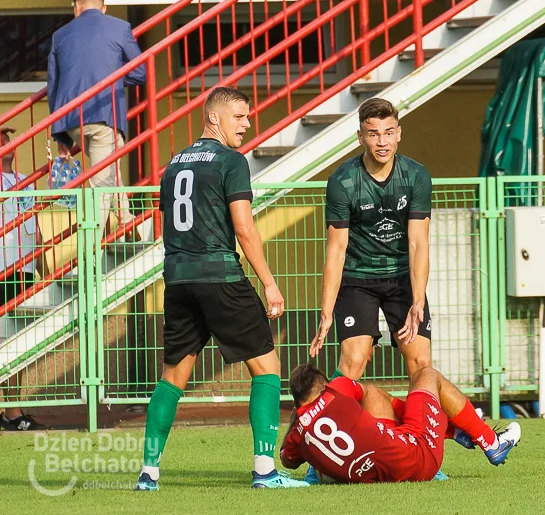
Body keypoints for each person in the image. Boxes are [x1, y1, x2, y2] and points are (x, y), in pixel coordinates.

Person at [134, 87, 308, 491]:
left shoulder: (174, 164)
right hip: (220, 276)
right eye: (240, 117)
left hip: (177, 279)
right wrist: (269, 283)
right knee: (266, 368)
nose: (247, 124)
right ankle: (265, 471)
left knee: (173, 377)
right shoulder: (231, 161)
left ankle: (148, 474)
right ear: (214, 118)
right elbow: (244, 229)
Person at [310, 97, 434, 380]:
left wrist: (417, 301)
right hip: (357, 280)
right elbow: (337, 249)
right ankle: (332, 422)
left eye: (389, 133)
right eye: (373, 134)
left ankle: (424, 425)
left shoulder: (416, 176)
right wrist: (326, 312)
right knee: (354, 360)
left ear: (399, 134)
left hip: (402, 278)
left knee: (421, 362)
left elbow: (418, 243)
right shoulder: (343, 181)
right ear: (360, 137)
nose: (382, 142)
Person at [280, 364, 521, 483]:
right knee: (426, 375)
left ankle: (455, 431)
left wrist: (297, 417)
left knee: (373, 393)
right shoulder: (336, 389)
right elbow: (357, 391)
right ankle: (491, 442)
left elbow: (287, 461)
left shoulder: (296, 434)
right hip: (419, 460)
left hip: (377, 473)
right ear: (323, 385)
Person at [47, 0, 146, 239]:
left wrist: (60, 136)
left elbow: (53, 85)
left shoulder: (60, 35)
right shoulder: (119, 27)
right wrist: (109, 79)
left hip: (72, 120)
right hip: (105, 115)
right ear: (103, 8)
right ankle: (90, 257)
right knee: (101, 183)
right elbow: (139, 72)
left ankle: (128, 223)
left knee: (108, 171)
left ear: (76, 7)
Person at [0, 126, 45, 431]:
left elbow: (36, 230)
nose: (7, 142)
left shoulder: (24, 182)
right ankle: (12, 410)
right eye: (2, 138)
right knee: (5, 340)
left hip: (24, 269)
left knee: (16, 343)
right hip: (2, 269)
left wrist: (44, 269)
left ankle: (12, 406)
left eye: (9, 137)